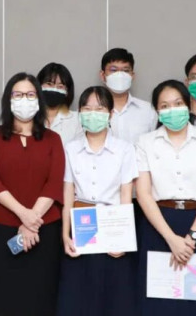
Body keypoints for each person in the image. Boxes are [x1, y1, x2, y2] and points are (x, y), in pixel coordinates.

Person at [135, 80, 196, 315]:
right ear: (157, 111)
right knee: (160, 301)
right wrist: (171, 239)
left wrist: (192, 237)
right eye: (165, 106)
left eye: (178, 103)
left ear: (188, 105)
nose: (172, 110)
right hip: (159, 226)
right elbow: (144, 194)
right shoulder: (145, 142)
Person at [0, 73, 65, 316]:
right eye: (18, 95)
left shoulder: (53, 139)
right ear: (8, 100)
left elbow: (54, 183)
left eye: (30, 94)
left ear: (39, 99)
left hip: (43, 229)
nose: (24, 99)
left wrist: (31, 220)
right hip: (1, 228)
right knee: (2, 300)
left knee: (39, 298)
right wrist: (24, 215)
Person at [57, 85, 139, 316]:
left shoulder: (124, 149)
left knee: (111, 297)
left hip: (112, 224)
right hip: (81, 224)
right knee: (79, 297)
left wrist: (123, 239)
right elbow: (68, 195)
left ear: (110, 114)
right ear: (80, 113)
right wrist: (65, 235)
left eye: (100, 108)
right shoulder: (70, 148)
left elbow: (126, 197)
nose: (93, 113)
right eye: (87, 108)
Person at [99, 48, 157, 144]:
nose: (120, 75)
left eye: (125, 70)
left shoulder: (148, 110)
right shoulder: (92, 112)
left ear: (132, 76)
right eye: (113, 70)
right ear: (103, 75)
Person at [37, 62, 83, 146]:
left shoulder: (77, 120)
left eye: (60, 86)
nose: (54, 89)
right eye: (49, 84)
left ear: (67, 92)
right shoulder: (30, 117)